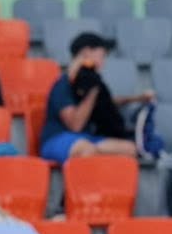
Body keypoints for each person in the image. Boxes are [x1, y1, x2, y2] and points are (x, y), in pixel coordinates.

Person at [41, 32, 151, 164]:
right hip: (58, 139)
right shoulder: (62, 85)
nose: (103, 62)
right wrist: (92, 90)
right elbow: (75, 126)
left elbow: (107, 102)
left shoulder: (91, 81)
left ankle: (97, 158)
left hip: (86, 139)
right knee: (86, 150)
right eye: (102, 56)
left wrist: (136, 99)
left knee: (130, 149)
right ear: (86, 52)